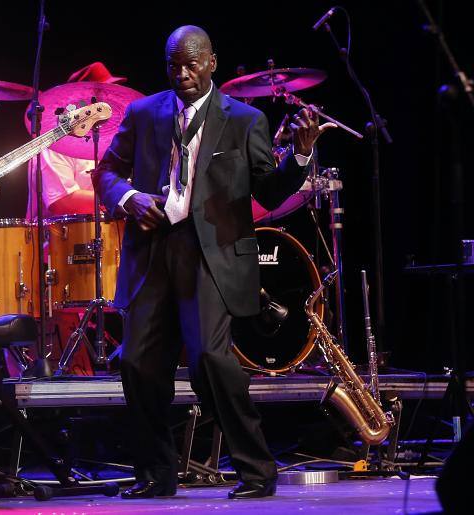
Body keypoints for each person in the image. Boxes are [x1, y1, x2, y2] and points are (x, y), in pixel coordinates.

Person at [92, 25, 334, 499]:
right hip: (153, 250)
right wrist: (129, 198)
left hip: (212, 255)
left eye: (191, 64)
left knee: (209, 359)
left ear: (212, 63)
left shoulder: (244, 120)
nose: (182, 74)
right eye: (173, 65)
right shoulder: (144, 112)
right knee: (139, 363)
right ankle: (155, 475)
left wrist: (301, 155)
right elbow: (106, 172)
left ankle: (256, 471)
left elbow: (266, 189)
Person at [26, 62, 127, 218]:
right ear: (79, 100)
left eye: (110, 93)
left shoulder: (110, 140)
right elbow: (61, 201)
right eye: (102, 94)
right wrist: (124, 197)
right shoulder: (53, 142)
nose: (109, 101)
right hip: (59, 238)